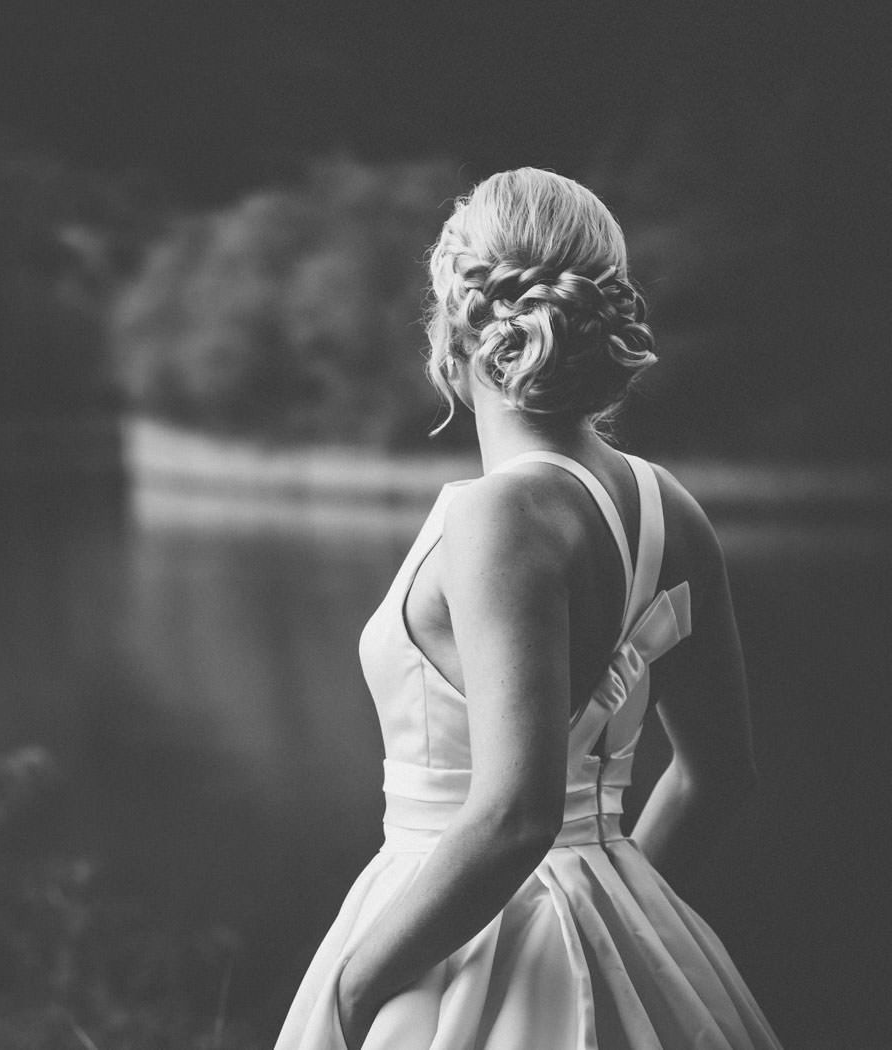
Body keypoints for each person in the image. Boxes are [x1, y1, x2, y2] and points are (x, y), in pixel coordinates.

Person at [273, 168, 783, 1049]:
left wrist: (353, 991)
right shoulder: (671, 509)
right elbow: (716, 775)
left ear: (454, 328)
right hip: (616, 901)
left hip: (455, 937)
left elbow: (514, 816)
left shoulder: (495, 515)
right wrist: (616, 916)